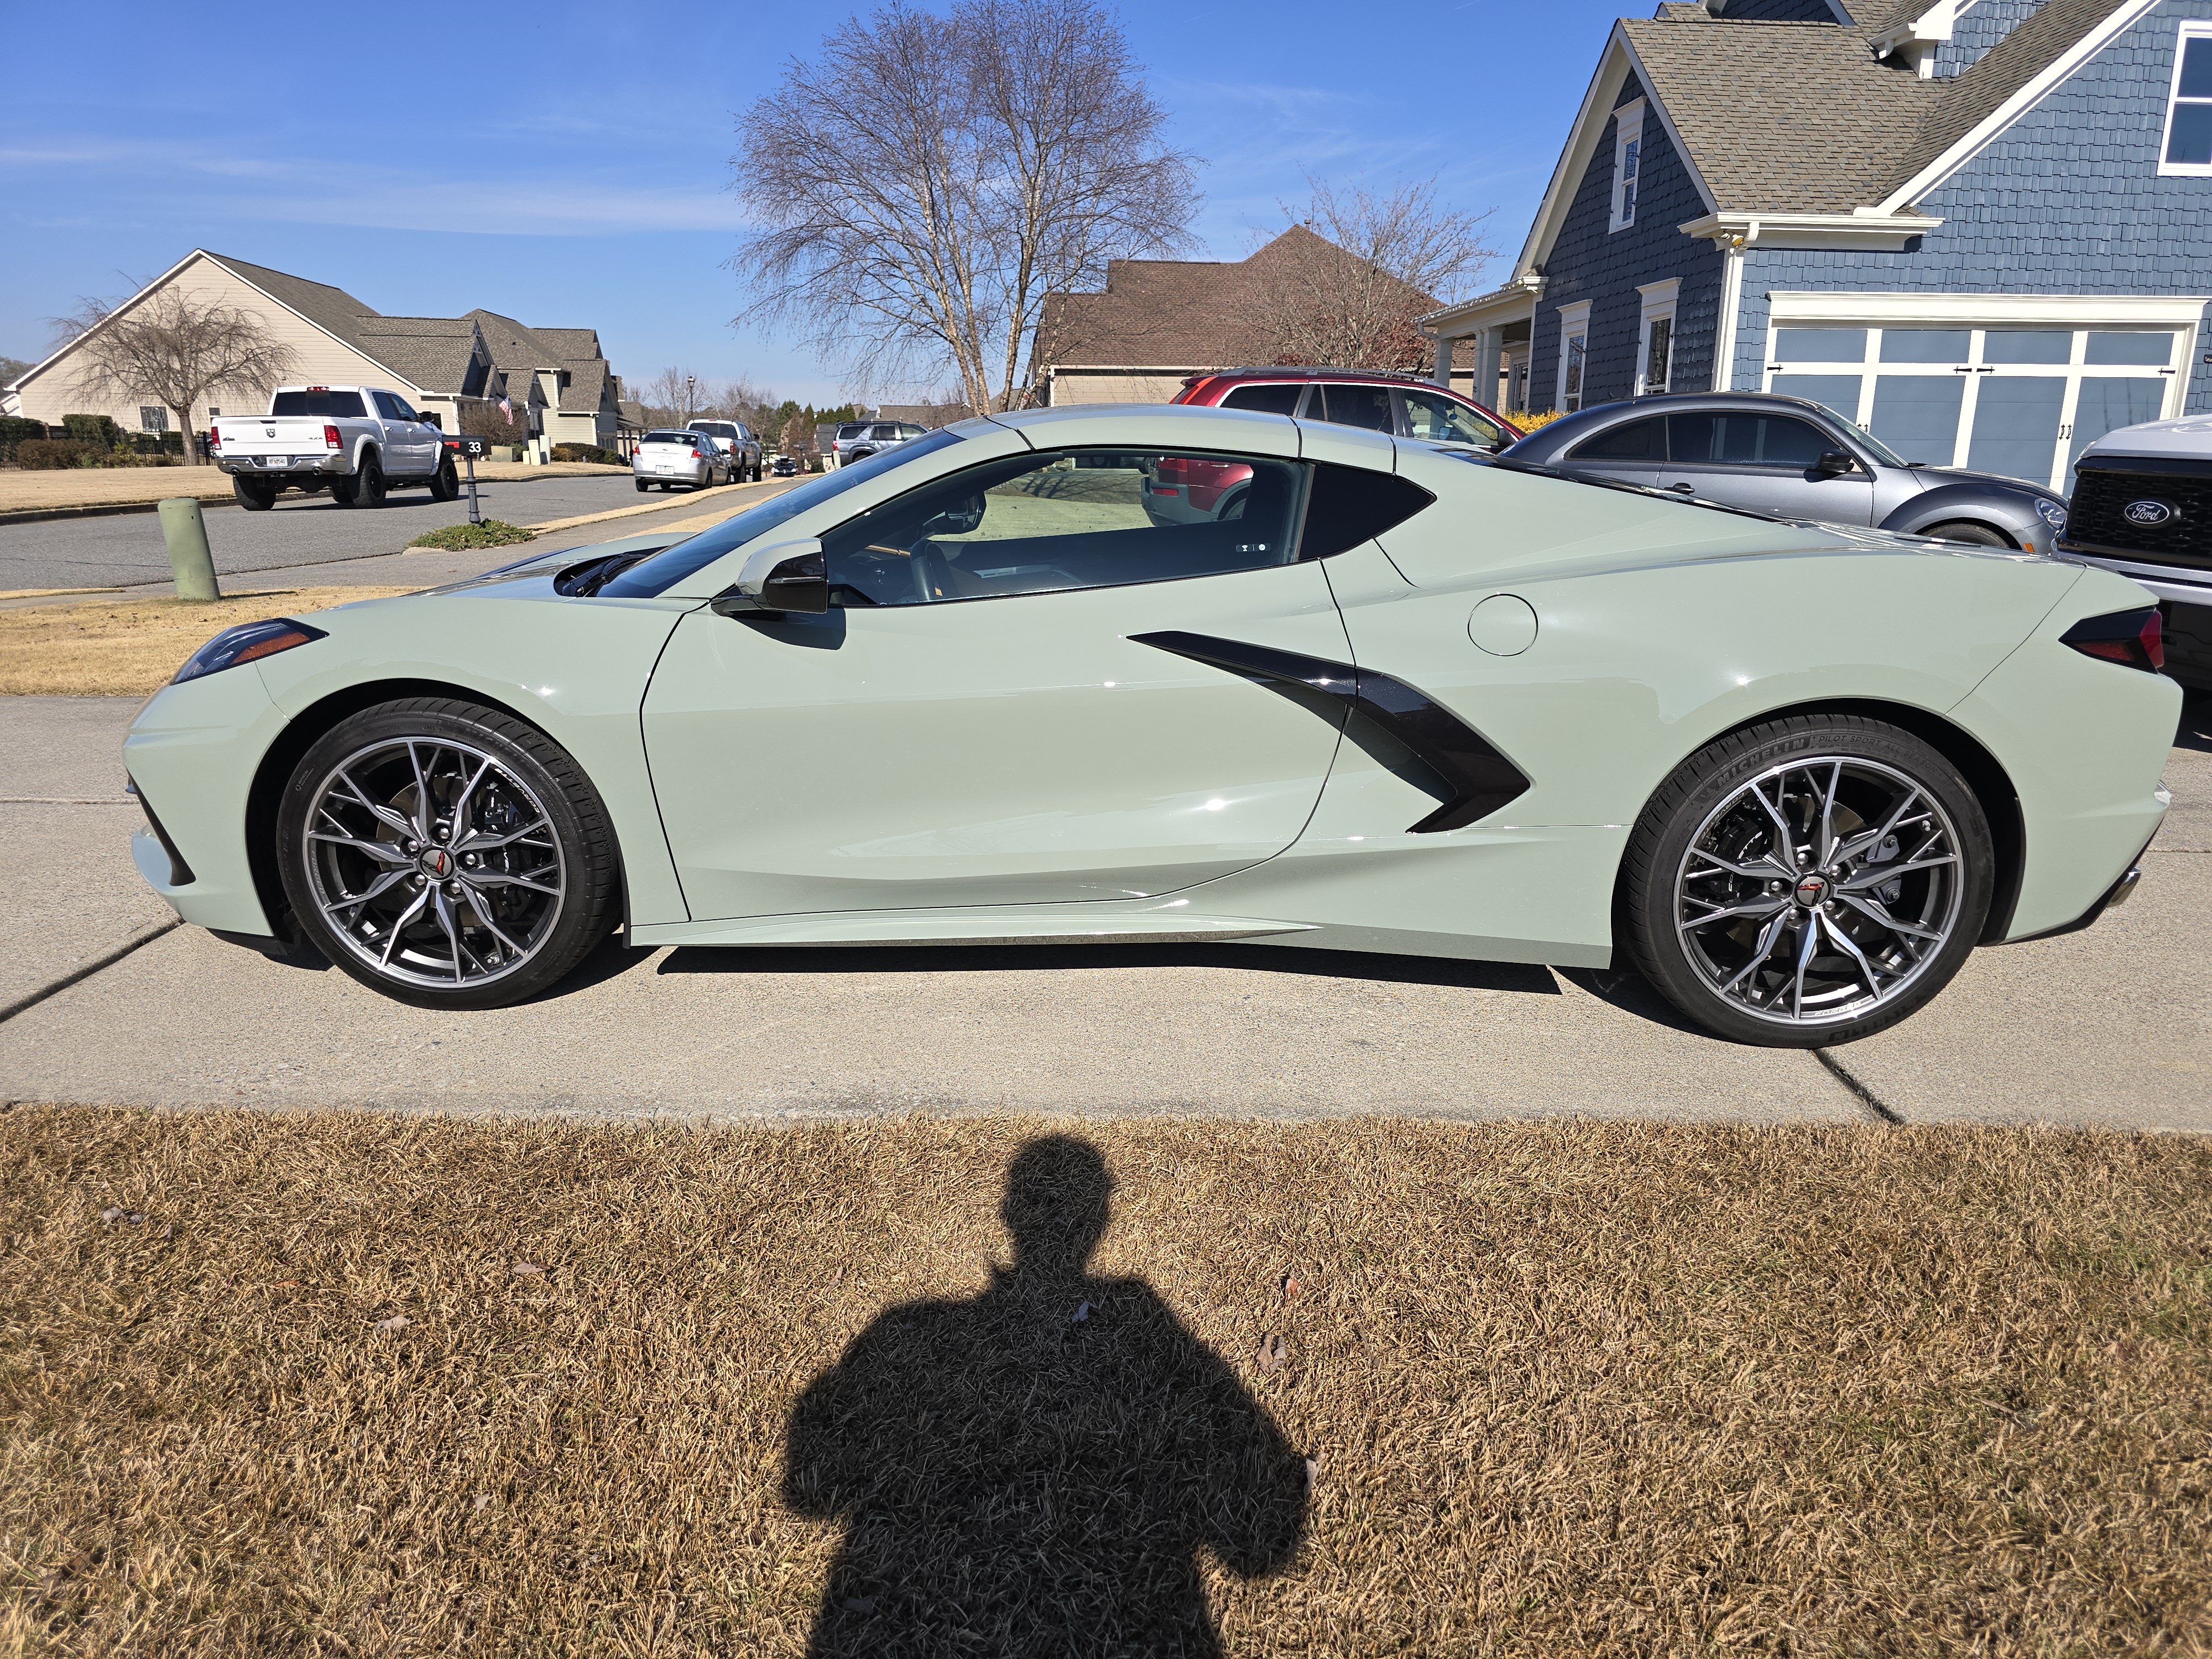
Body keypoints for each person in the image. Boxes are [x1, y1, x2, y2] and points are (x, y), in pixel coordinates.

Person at [783, 1135, 1308, 1656]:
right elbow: (1262, 1548)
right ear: (1101, 1220)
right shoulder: (1139, 1314)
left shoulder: (903, 1331)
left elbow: (813, 1492)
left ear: (1008, 1211)